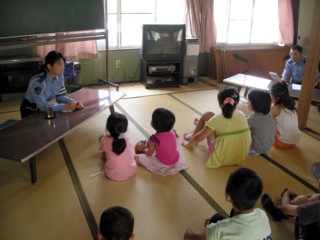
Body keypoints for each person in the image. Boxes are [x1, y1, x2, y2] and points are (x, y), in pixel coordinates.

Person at [183, 167, 272, 240]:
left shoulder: (218, 230)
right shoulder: (262, 214)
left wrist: (207, 231)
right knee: (216, 218)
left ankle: (191, 237)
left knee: (214, 226)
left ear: (228, 197)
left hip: (216, 231)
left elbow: (206, 236)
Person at [182, 87, 251, 168]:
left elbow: (199, 138)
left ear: (220, 103)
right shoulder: (242, 115)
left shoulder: (217, 119)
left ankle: (191, 138)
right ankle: (200, 127)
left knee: (207, 115)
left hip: (220, 158)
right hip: (240, 157)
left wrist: (188, 145)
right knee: (211, 120)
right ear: (237, 102)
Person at [20, 50, 84, 118]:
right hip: (30, 110)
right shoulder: (38, 82)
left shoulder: (60, 76)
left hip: (45, 108)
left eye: (63, 64)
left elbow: (61, 97)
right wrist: (64, 106)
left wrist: (74, 102)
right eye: (59, 65)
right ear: (50, 67)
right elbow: (43, 106)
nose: (63, 67)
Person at [134, 107, 187, 176]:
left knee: (136, 158)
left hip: (163, 164)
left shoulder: (154, 139)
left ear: (153, 123)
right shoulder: (173, 132)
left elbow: (149, 153)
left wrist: (143, 149)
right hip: (176, 160)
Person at [99, 112, 137, 181]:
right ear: (125, 128)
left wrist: (101, 140)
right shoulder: (127, 138)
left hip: (112, 174)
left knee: (104, 155)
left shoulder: (105, 140)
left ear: (108, 127)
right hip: (131, 171)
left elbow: (103, 153)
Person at [270, 81, 300, 149]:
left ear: (277, 98)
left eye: (271, 95)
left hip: (281, 142)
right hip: (294, 141)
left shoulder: (276, 108)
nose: (270, 96)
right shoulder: (291, 105)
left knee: (268, 121)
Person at [247, 89, 275, 155]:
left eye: (249, 101)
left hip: (257, 149)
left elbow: (241, 127)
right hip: (268, 147)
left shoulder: (252, 119)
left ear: (255, 104)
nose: (247, 102)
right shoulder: (269, 115)